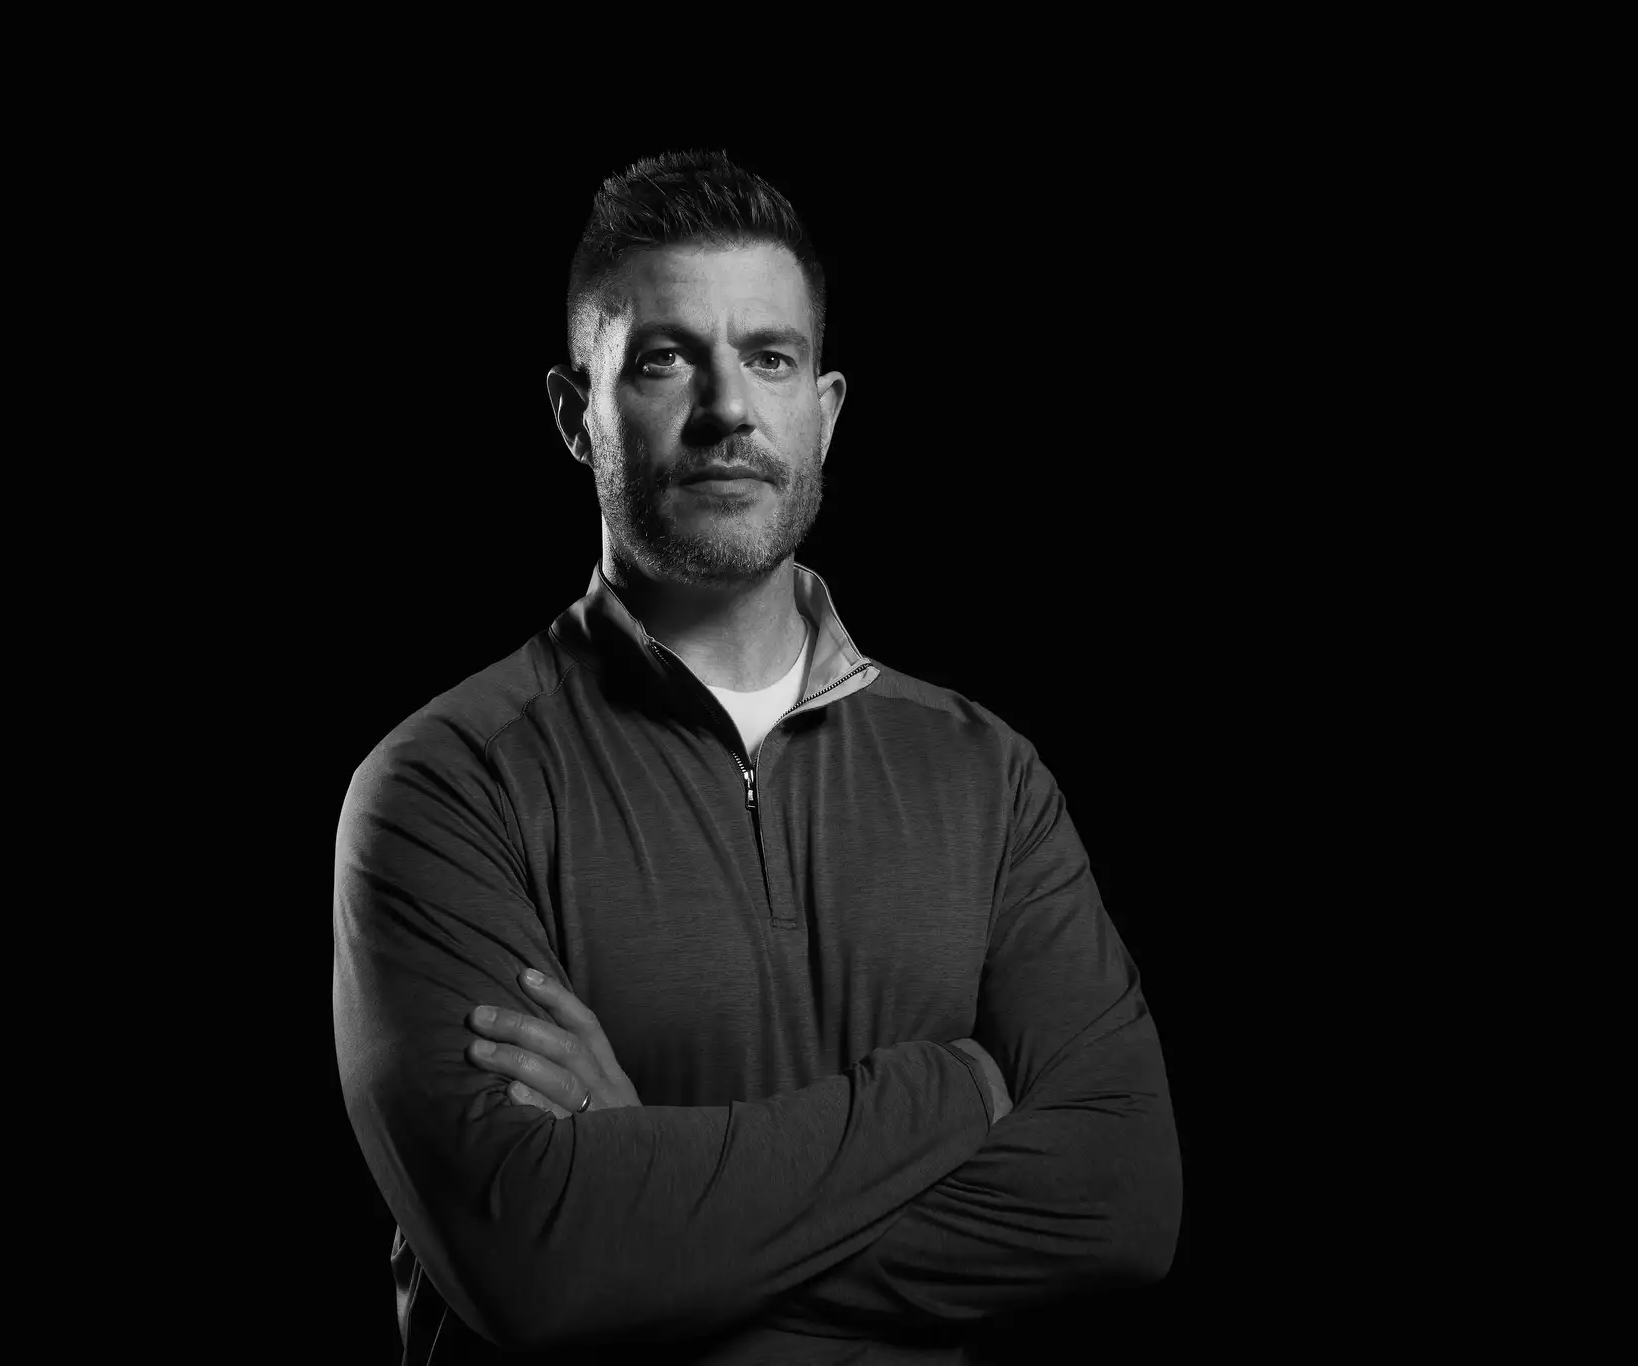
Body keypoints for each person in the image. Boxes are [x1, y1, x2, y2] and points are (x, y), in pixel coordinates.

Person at [333, 149, 1182, 1364]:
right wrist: (950, 1093)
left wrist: (647, 1193)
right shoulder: (444, 785)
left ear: (823, 411)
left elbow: (1119, 1202)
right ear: (575, 414)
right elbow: (536, 1258)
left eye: (769, 357)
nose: (727, 407)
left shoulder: (986, 777)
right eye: (665, 359)